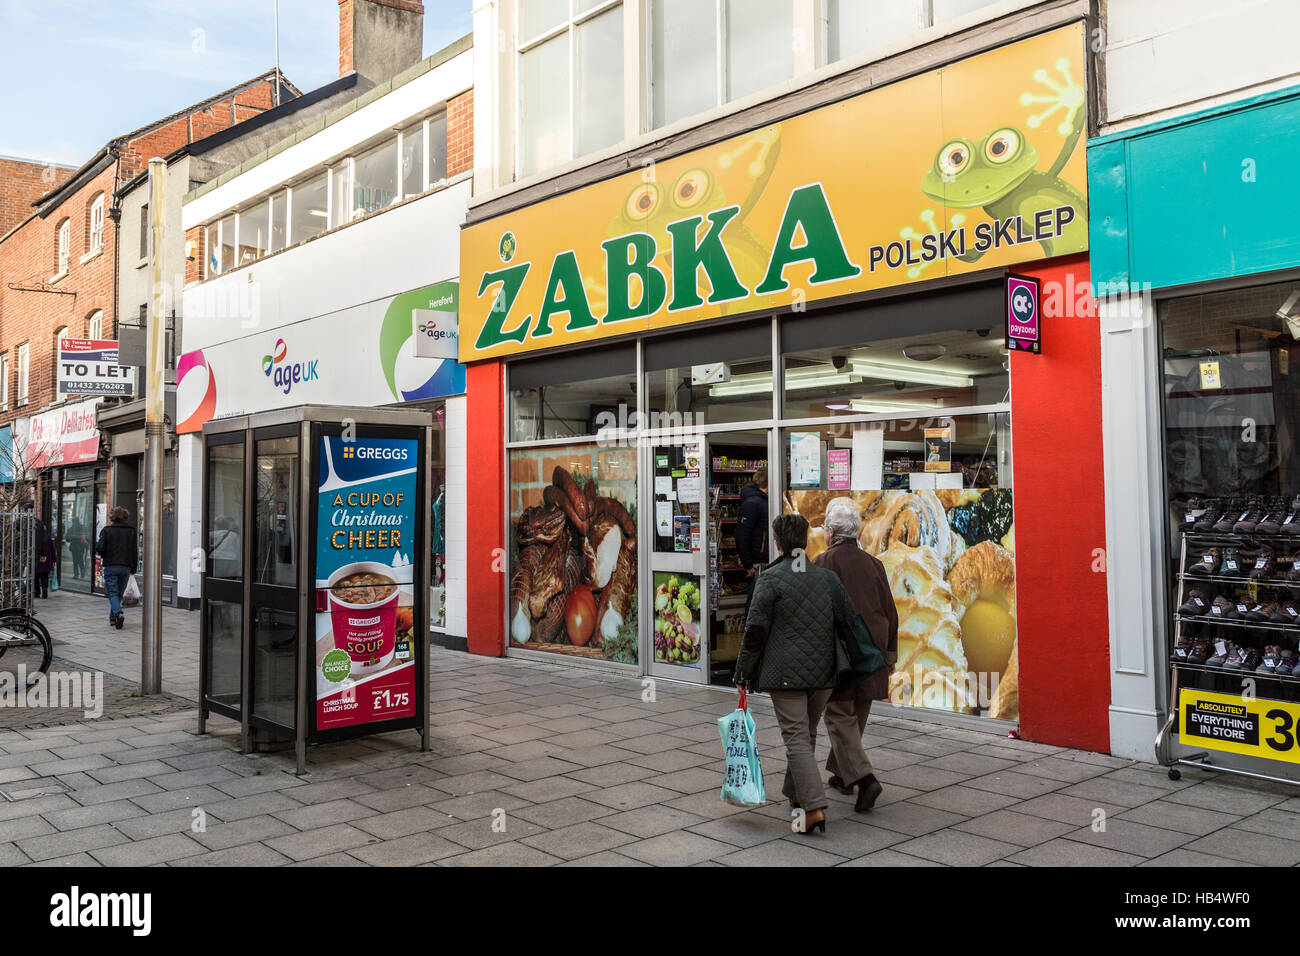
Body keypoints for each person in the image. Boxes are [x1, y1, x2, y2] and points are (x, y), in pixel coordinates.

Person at [734, 512, 856, 835]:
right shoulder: (826, 578)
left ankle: (814, 807)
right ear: (804, 541)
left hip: (786, 675)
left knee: (796, 737)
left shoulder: (771, 579)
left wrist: (742, 674)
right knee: (808, 732)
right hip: (824, 674)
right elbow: (848, 620)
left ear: (777, 543)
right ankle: (795, 794)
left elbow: (755, 631)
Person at [814, 497, 899, 812]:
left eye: (825, 528)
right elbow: (890, 611)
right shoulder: (874, 563)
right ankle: (841, 774)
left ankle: (865, 779)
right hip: (872, 650)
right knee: (856, 713)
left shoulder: (824, 562)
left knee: (838, 715)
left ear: (832, 532)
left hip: (842, 652)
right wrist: (889, 656)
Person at [95, 506, 137, 630]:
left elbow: (100, 548)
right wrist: (133, 568)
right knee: (118, 593)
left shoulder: (107, 530)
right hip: (125, 566)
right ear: (125, 516)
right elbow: (134, 551)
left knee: (112, 592)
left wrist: (104, 553)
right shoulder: (131, 531)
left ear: (112, 517)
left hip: (111, 565)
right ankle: (113, 619)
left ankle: (118, 613)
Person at [734, 466, 768, 612]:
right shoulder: (753, 503)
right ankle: (750, 634)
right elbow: (741, 535)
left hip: (762, 561)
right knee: (755, 603)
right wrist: (748, 565)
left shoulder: (761, 501)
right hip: (757, 563)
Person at [35, 523, 55, 599]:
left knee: (36, 576)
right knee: (44, 576)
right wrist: (54, 559)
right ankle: (45, 593)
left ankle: (37, 592)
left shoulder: (35, 537)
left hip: (37, 559)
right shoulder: (48, 536)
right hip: (46, 559)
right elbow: (52, 549)